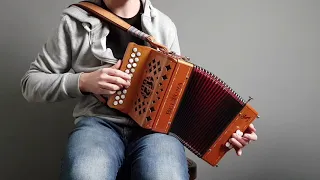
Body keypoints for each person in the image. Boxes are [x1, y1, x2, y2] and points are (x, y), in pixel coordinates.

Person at [20, 0, 258, 179]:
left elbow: (181, 98)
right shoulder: (74, 22)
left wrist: (227, 131)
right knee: (85, 173)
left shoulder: (163, 26)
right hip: (98, 125)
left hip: (155, 133)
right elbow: (30, 84)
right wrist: (83, 81)